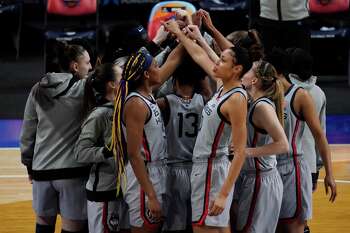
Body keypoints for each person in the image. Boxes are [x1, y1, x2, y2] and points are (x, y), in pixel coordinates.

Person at [164, 19, 251, 233]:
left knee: (204, 228)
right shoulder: (224, 85)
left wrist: (222, 194)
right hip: (207, 167)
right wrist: (191, 36)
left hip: (212, 168)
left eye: (222, 60)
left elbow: (240, 152)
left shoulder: (236, 99)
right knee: (216, 228)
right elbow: (199, 55)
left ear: (236, 69)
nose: (216, 63)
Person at [111, 45, 184, 233]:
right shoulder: (136, 103)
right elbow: (134, 155)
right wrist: (150, 195)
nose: (160, 68)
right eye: (156, 66)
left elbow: (174, 60)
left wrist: (188, 31)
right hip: (143, 176)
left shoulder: (148, 93)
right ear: (145, 74)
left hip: (155, 171)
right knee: (146, 228)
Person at [20, 44, 91, 233]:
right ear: (75, 66)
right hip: (72, 173)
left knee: (43, 225)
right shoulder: (84, 88)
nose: (90, 67)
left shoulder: (37, 89)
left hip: (41, 172)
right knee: (72, 227)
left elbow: (27, 133)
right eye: (88, 62)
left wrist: (29, 165)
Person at [265, 48, 337, 233]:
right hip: (269, 167)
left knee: (295, 224)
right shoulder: (264, 92)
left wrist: (329, 172)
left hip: (294, 165)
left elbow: (320, 134)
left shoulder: (301, 95)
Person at [231, 60, 288, 232]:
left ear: (254, 80)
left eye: (248, 70)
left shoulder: (262, 106)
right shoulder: (252, 100)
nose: (243, 72)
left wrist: (246, 152)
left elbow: (283, 145)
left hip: (261, 179)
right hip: (255, 178)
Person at [74, 63, 130, 233]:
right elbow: (80, 152)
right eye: (122, 78)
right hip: (104, 191)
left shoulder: (125, 108)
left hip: (122, 188)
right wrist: (106, 151)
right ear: (112, 84)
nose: (126, 81)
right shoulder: (99, 114)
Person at [157, 56, 207, 233]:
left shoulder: (165, 102)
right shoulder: (204, 101)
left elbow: (144, 101)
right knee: (196, 223)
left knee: (174, 224)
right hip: (197, 169)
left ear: (174, 79)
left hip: (174, 170)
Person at [287, 47, 326, 233]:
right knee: (301, 217)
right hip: (309, 163)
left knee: (288, 218)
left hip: (288, 162)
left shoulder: (286, 92)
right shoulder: (319, 92)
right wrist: (318, 167)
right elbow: (321, 134)